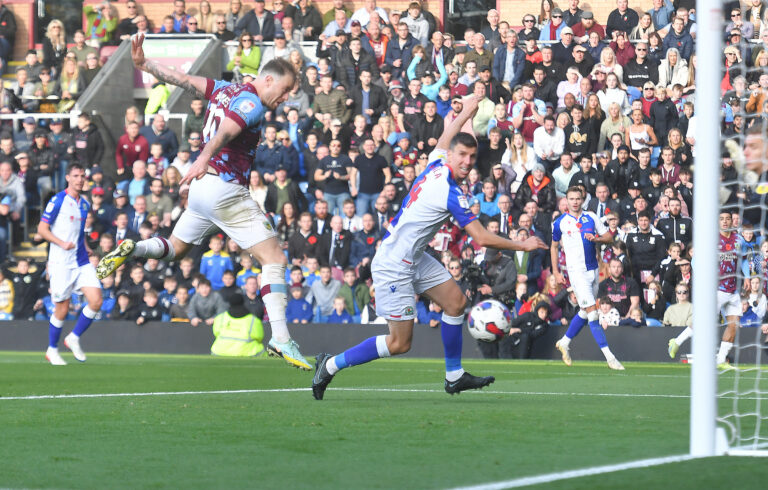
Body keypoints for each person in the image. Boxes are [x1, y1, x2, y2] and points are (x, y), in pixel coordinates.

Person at [95, 34, 311, 371]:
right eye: (283, 91)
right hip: (224, 187)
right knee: (275, 258)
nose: (284, 100)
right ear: (267, 79)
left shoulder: (224, 89)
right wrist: (202, 158)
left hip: (201, 192)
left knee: (175, 247)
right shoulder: (252, 102)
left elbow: (181, 79)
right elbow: (226, 130)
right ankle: (281, 338)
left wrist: (144, 64)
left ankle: (133, 248)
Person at [311, 96, 547, 400]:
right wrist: (522, 244)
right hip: (395, 262)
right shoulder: (448, 191)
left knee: (456, 304)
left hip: (413, 255)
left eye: (472, 157)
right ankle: (329, 366)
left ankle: (454, 376)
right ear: (452, 155)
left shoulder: (437, 164)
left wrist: (467, 112)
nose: (467, 162)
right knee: (399, 344)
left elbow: (448, 136)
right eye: (462, 155)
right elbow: (482, 238)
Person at [552, 187, 625, 370]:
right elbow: (553, 247)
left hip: (593, 270)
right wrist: (556, 271)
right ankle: (610, 358)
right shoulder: (560, 222)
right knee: (593, 313)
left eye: (578, 199)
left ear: (582, 200)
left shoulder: (591, 217)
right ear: (566, 201)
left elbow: (609, 236)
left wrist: (597, 239)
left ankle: (564, 342)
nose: (575, 202)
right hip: (576, 272)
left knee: (585, 312)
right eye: (571, 199)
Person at [36, 164, 103, 365]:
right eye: (76, 176)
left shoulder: (84, 203)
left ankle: (73, 337)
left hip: (81, 260)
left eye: (83, 176)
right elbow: (42, 228)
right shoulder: (58, 200)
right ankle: (52, 349)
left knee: (96, 300)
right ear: (68, 178)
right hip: (61, 262)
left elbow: (79, 231)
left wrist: (86, 245)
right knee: (62, 309)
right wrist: (61, 243)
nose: (80, 179)